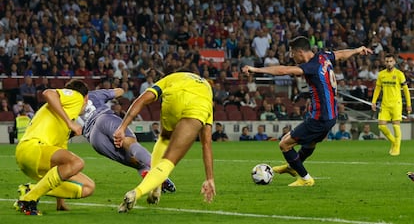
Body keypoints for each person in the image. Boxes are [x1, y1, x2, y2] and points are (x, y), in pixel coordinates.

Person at [242, 36, 372, 186]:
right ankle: (292, 167)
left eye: (292, 53)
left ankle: (305, 178)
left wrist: (255, 69)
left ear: (300, 52)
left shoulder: (311, 66)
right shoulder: (323, 57)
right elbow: (341, 54)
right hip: (330, 116)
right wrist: (357, 50)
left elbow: (284, 70)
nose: (291, 56)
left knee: (284, 144)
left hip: (320, 117)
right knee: (310, 143)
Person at [113, 72, 216, 213]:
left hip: (174, 98)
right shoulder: (207, 94)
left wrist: (122, 128)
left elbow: (142, 99)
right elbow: (206, 143)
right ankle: (136, 193)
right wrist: (209, 178)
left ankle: (156, 188)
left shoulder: (174, 77)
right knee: (169, 161)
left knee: (165, 138)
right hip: (198, 106)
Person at [14, 79, 95, 215]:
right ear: (86, 97)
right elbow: (48, 93)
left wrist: (60, 203)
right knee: (77, 162)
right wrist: (70, 123)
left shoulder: (63, 124)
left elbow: (60, 171)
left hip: (33, 157)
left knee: (88, 187)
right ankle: (29, 200)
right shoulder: (76, 96)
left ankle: (31, 190)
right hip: (33, 148)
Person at [78, 89, 175, 197]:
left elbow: (75, 130)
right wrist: (112, 94)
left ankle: (150, 178)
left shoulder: (67, 106)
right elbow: (120, 91)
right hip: (104, 119)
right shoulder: (94, 95)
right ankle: (160, 173)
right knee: (132, 145)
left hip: (94, 138)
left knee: (135, 163)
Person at [371, 54, 412, 156]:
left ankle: (396, 148)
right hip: (385, 104)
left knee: (395, 125)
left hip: (396, 104)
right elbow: (378, 89)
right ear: (384, 62)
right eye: (387, 61)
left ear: (394, 62)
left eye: (390, 61)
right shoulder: (381, 74)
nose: (389, 63)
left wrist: (408, 104)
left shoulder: (399, 74)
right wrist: (373, 101)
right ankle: (394, 142)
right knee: (381, 126)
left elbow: (406, 90)